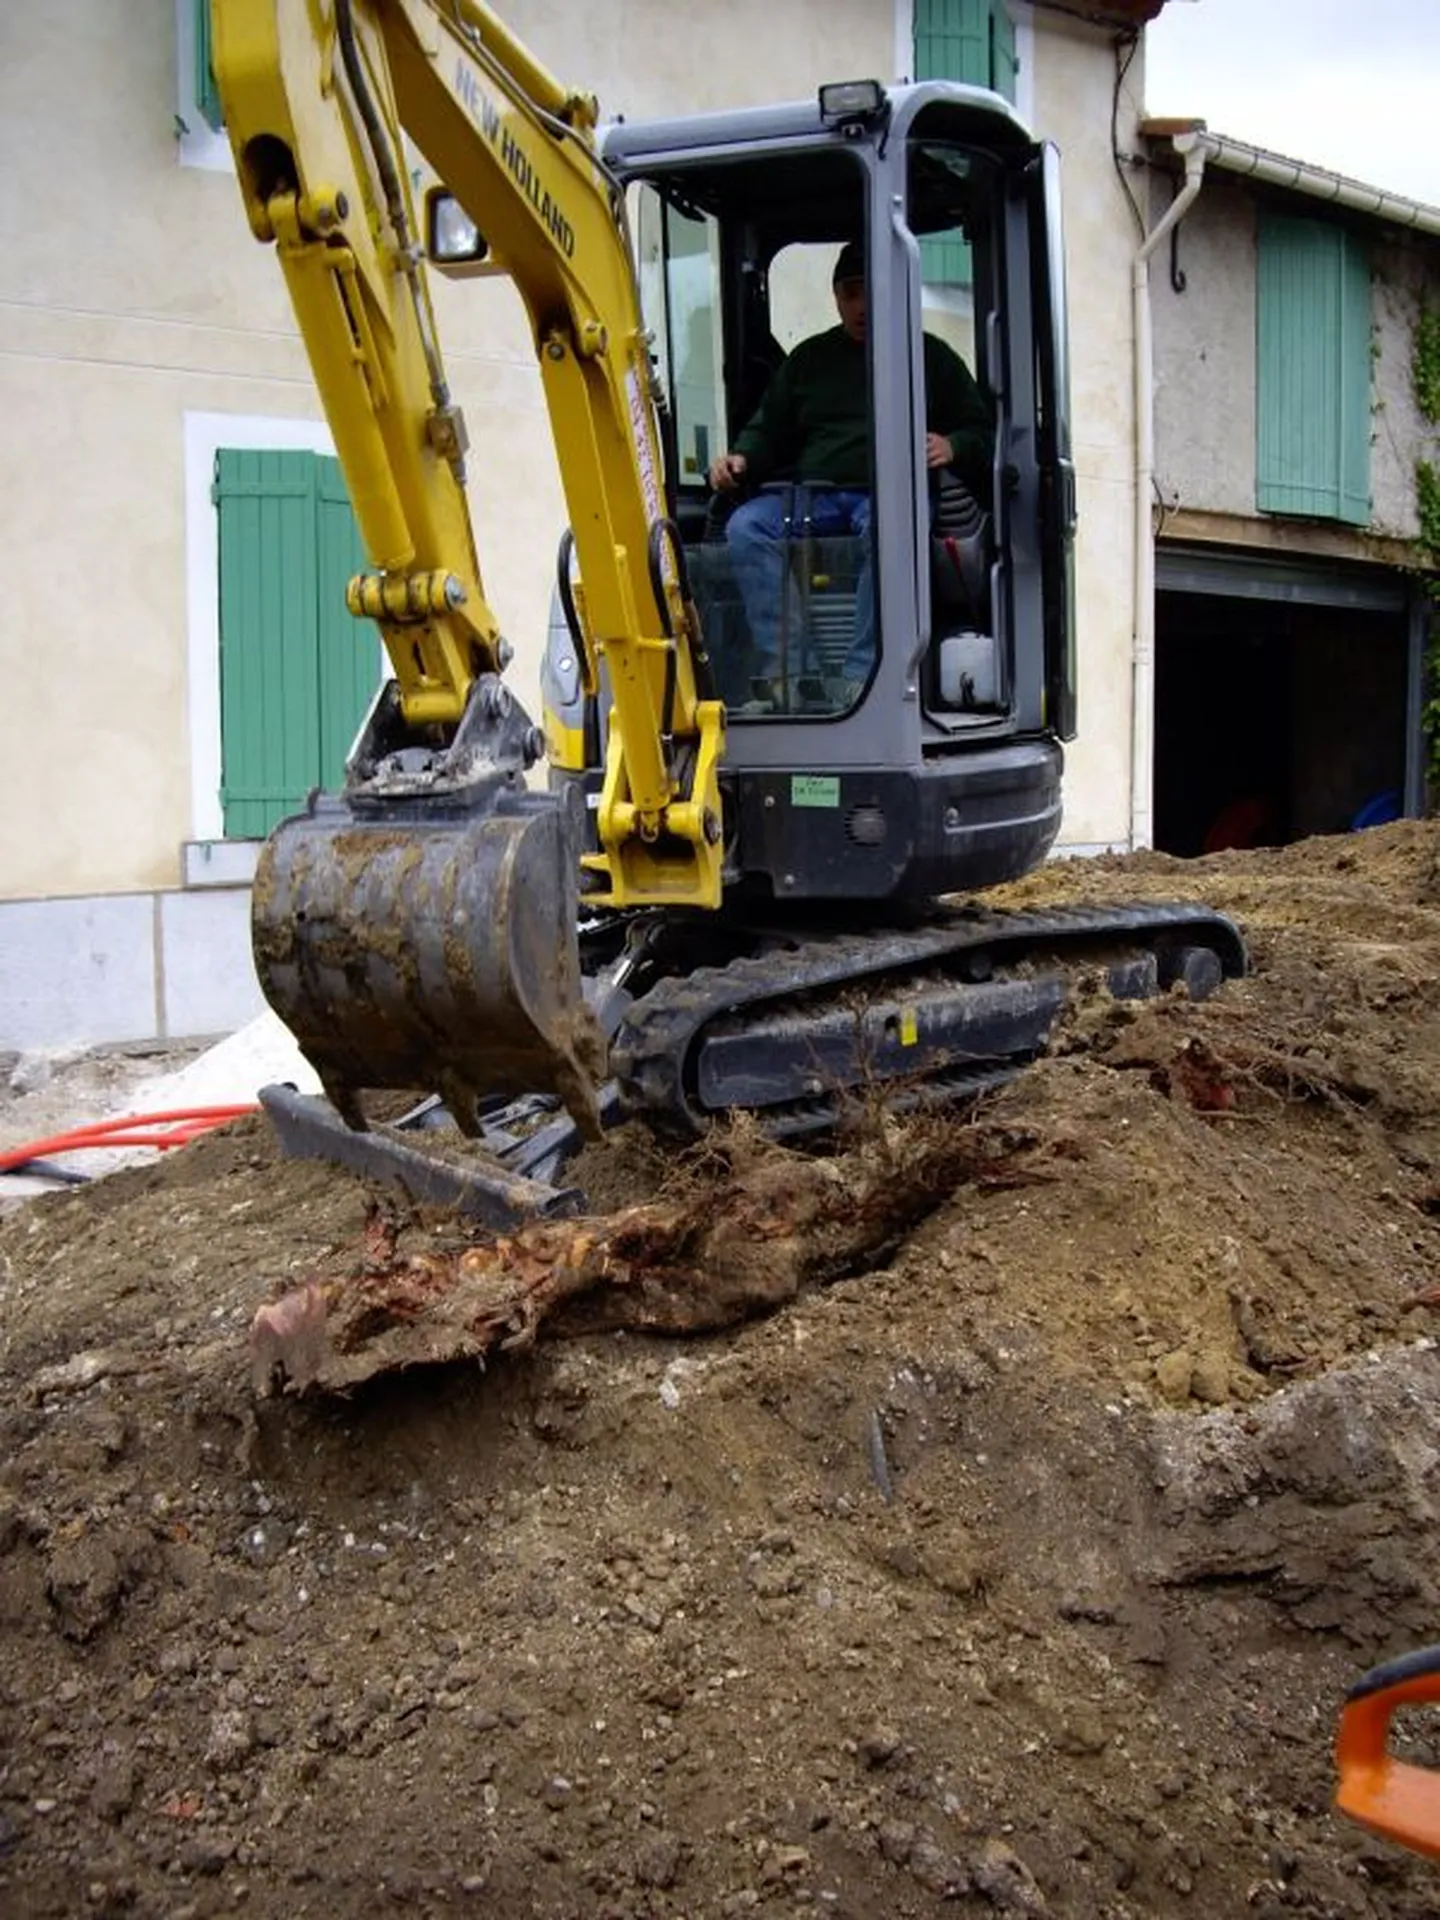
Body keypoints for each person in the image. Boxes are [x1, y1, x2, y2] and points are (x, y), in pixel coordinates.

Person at [707, 239, 992, 707]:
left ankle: (861, 675)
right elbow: (768, 428)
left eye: (870, 291)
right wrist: (741, 459)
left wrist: (953, 444)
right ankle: (793, 673)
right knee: (745, 526)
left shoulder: (931, 357)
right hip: (815, 502)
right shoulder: (809, 362)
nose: (861, 305)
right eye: (850, 292)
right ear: (837, 298)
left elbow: (980, 431)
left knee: (891, 527)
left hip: (888, 497)